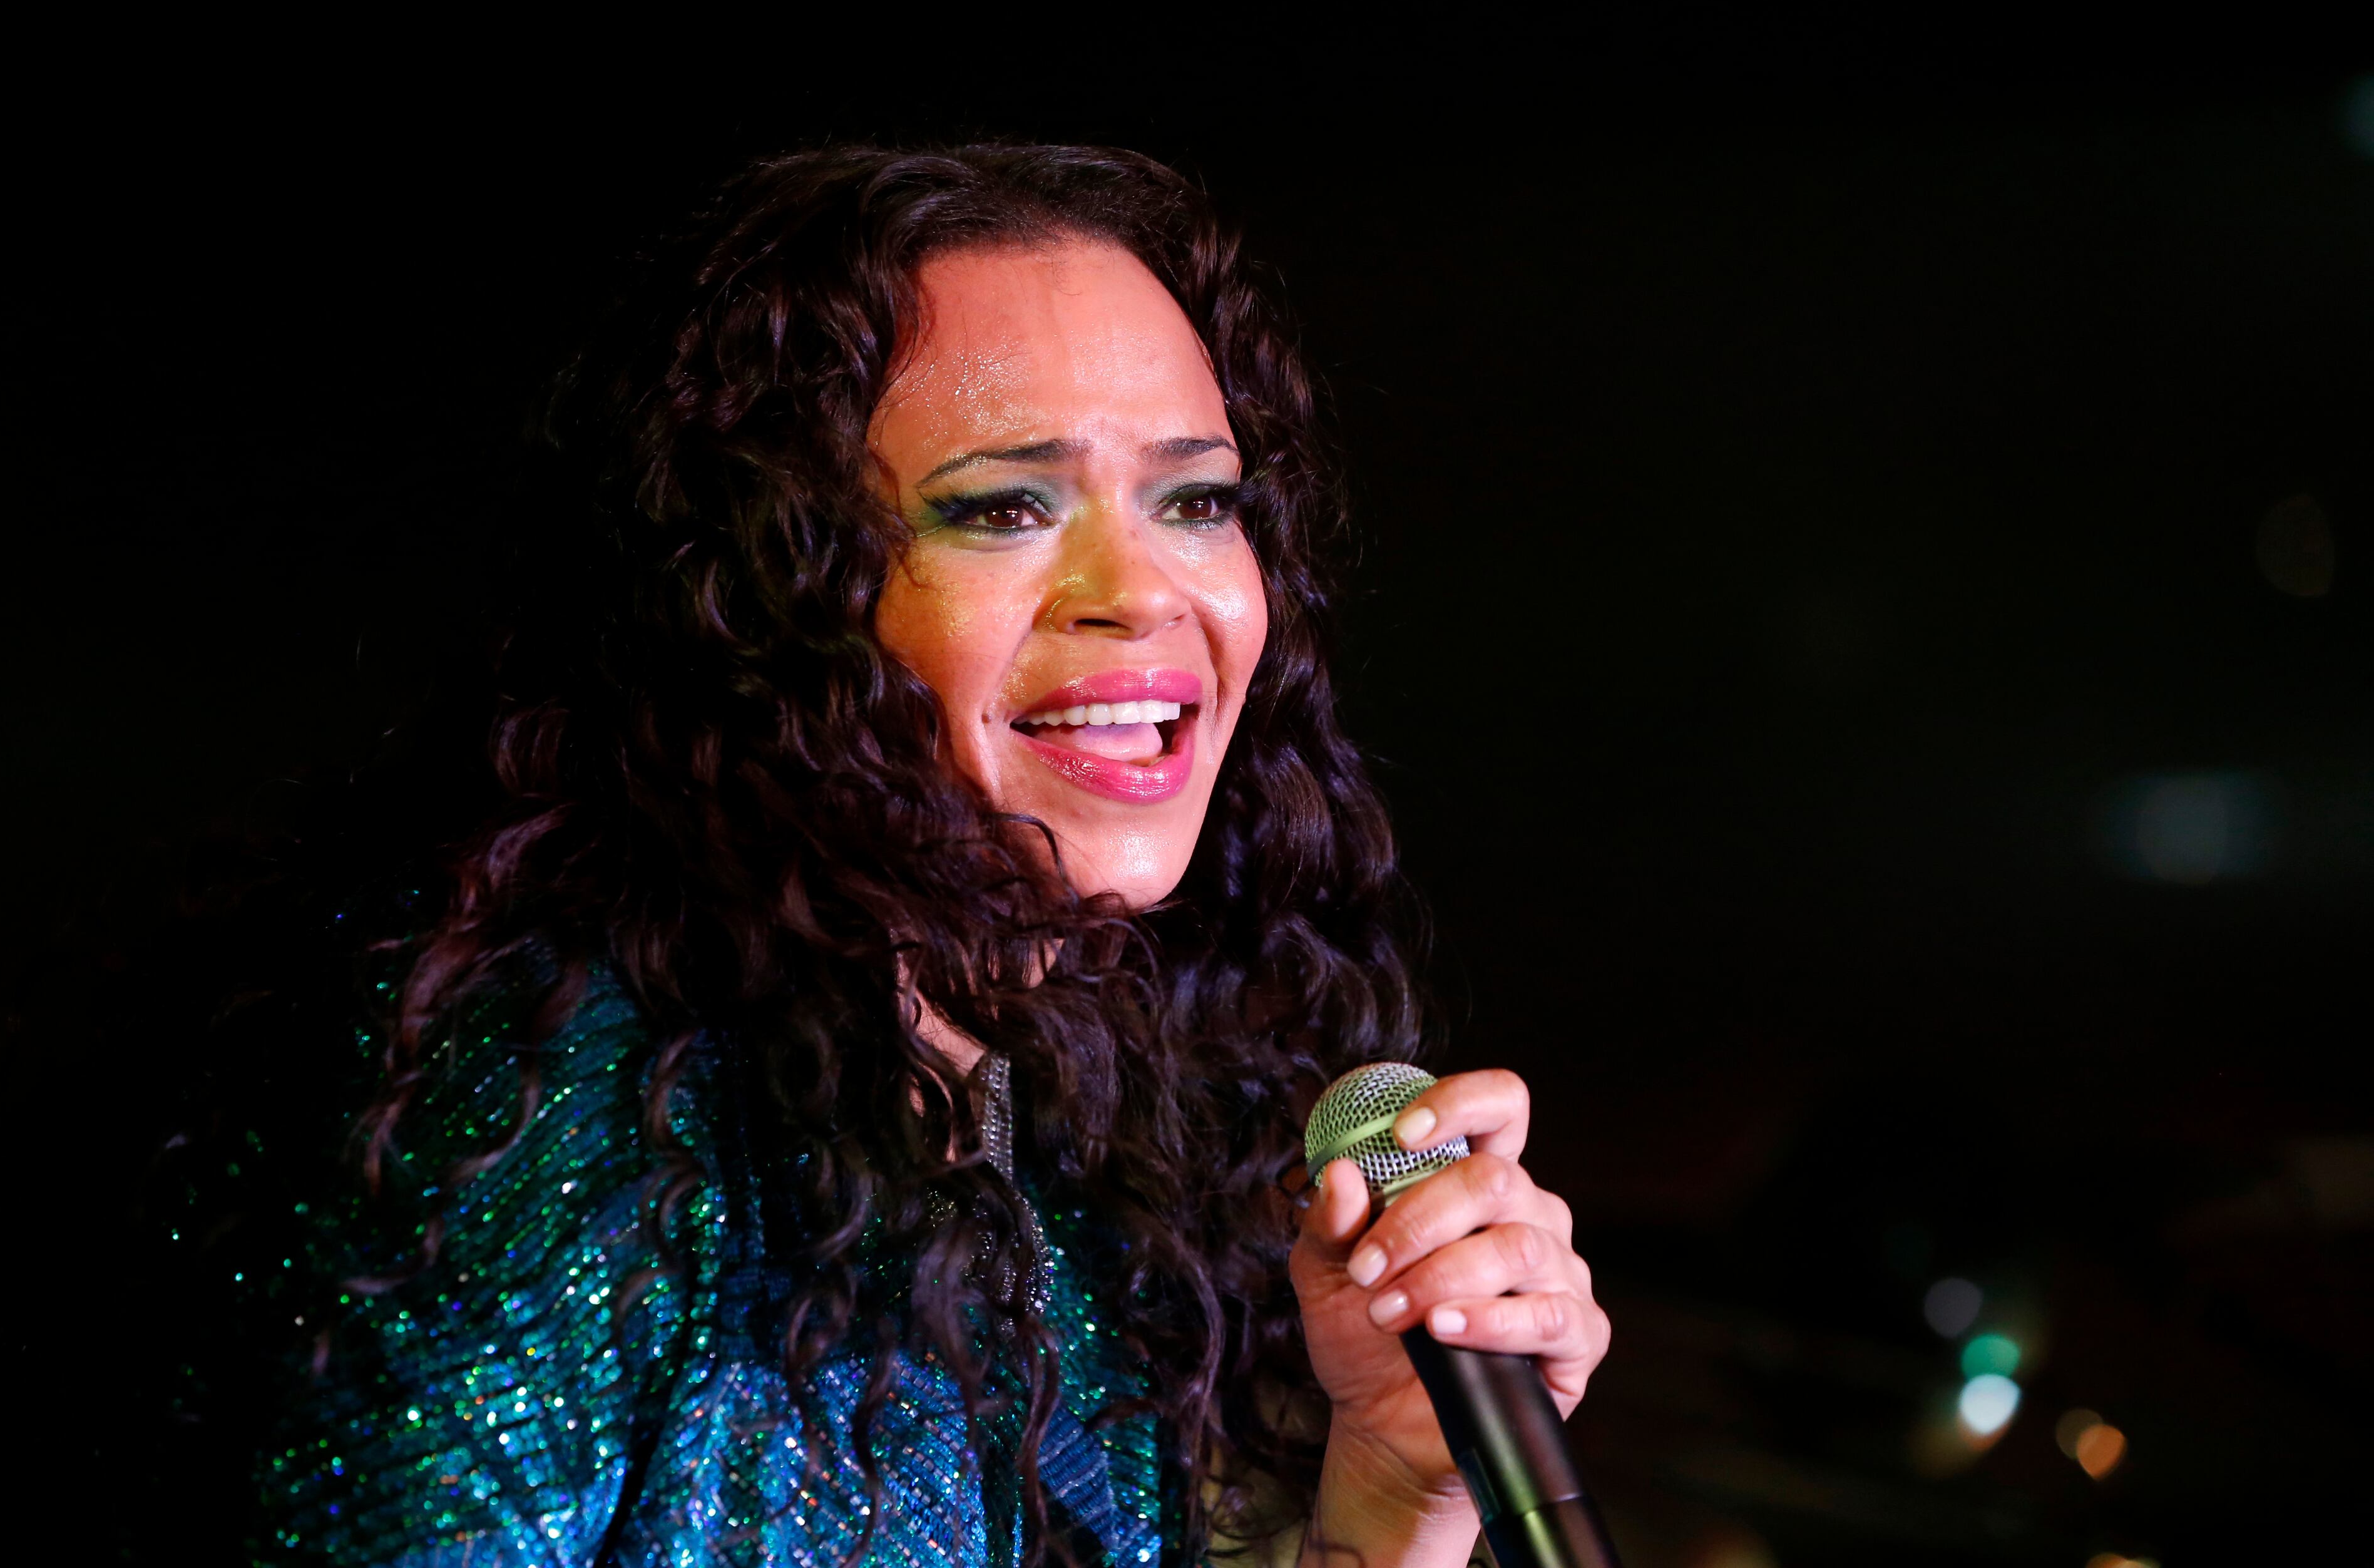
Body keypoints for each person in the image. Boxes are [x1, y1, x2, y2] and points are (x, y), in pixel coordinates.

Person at [264, 143, 1608, 1568]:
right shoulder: (529, 1119)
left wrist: (1398, 1498)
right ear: (761, 593)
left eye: (1197, 499)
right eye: (1004, 507)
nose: (1142, 589)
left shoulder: (1055, 1133)